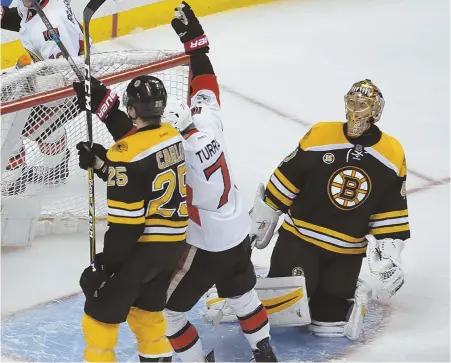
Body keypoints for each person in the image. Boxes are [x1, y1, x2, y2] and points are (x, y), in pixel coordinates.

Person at [160, 3, 279, 361]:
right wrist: (196, 45)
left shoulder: (172, 154)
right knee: (242, 296)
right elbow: (206, 83)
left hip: (205, 246)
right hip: (237, 232)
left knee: (165, 312)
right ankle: (264, 351)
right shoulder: (206, 118)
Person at [248, 79, 410, 340]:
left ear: (375, 111)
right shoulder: (321, 134)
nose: (356, 109)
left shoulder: (392, 152)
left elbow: (390, 206)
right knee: (284, 312)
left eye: (363, 105)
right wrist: (264, 216)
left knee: (329, 327)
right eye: (352, 102)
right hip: (301, 239)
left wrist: (389, 254)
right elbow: (289, 176)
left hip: (346, 252)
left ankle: (353, 295)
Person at [73, 75, 188, 362]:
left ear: (133, 110)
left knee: (99, 315)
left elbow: (128, 225)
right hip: (171, 247)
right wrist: (103, 165)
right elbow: (143, 176)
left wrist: (107, 266)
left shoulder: (125, 153)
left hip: (142, 249)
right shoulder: (172, 136)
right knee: (147, 315)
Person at [1, 0, 92, 195]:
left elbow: (61, 84)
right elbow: (24, 18)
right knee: (40, 122)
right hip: (65, 80)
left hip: (72, 91)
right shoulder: (37, 4)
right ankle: (55, 168)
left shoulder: (51, 27)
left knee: (5, 117)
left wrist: (26, 77)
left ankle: (13, 180)